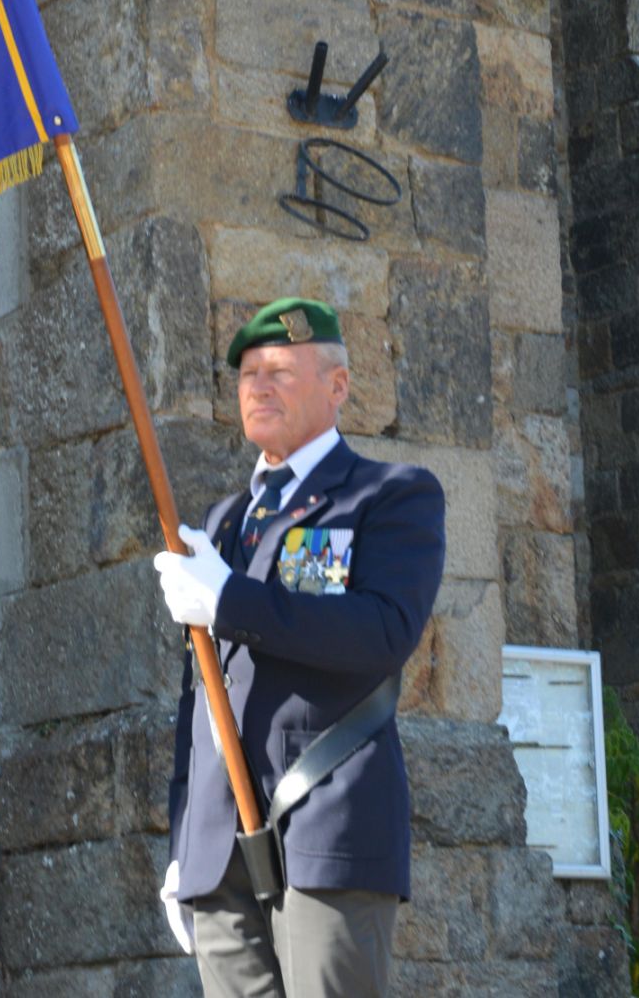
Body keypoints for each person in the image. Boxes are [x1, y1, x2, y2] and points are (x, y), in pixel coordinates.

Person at [152, 298, 445, 997]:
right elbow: (202, 693)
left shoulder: (387, 496)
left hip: (327, 828)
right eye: (247, 374)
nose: (257, 387)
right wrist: (183, 841)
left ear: (337, 386)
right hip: (218, 847)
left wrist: (231, 601)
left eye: (280, 371)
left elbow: (383, 632)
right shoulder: (224, 522)